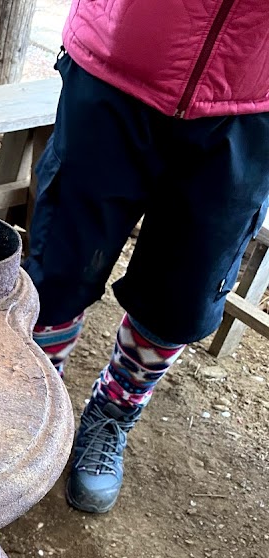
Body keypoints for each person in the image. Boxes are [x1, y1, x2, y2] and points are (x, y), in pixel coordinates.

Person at [24, 0, 269, 514]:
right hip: (118, 62)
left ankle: (114, 412)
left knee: (182, 292)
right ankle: (30, 407)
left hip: (251, 100)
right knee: (58, 270)